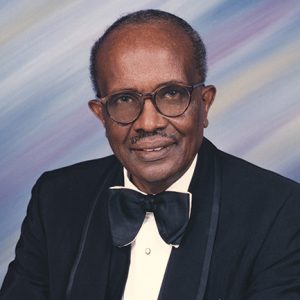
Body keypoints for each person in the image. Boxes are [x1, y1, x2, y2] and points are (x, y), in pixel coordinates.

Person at [1, 9, 300, 300]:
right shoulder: (56, 198)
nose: (148, 122)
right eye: (124, 99)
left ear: (204, 104)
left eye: (171, 94)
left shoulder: (280, 211)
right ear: (101, 115)